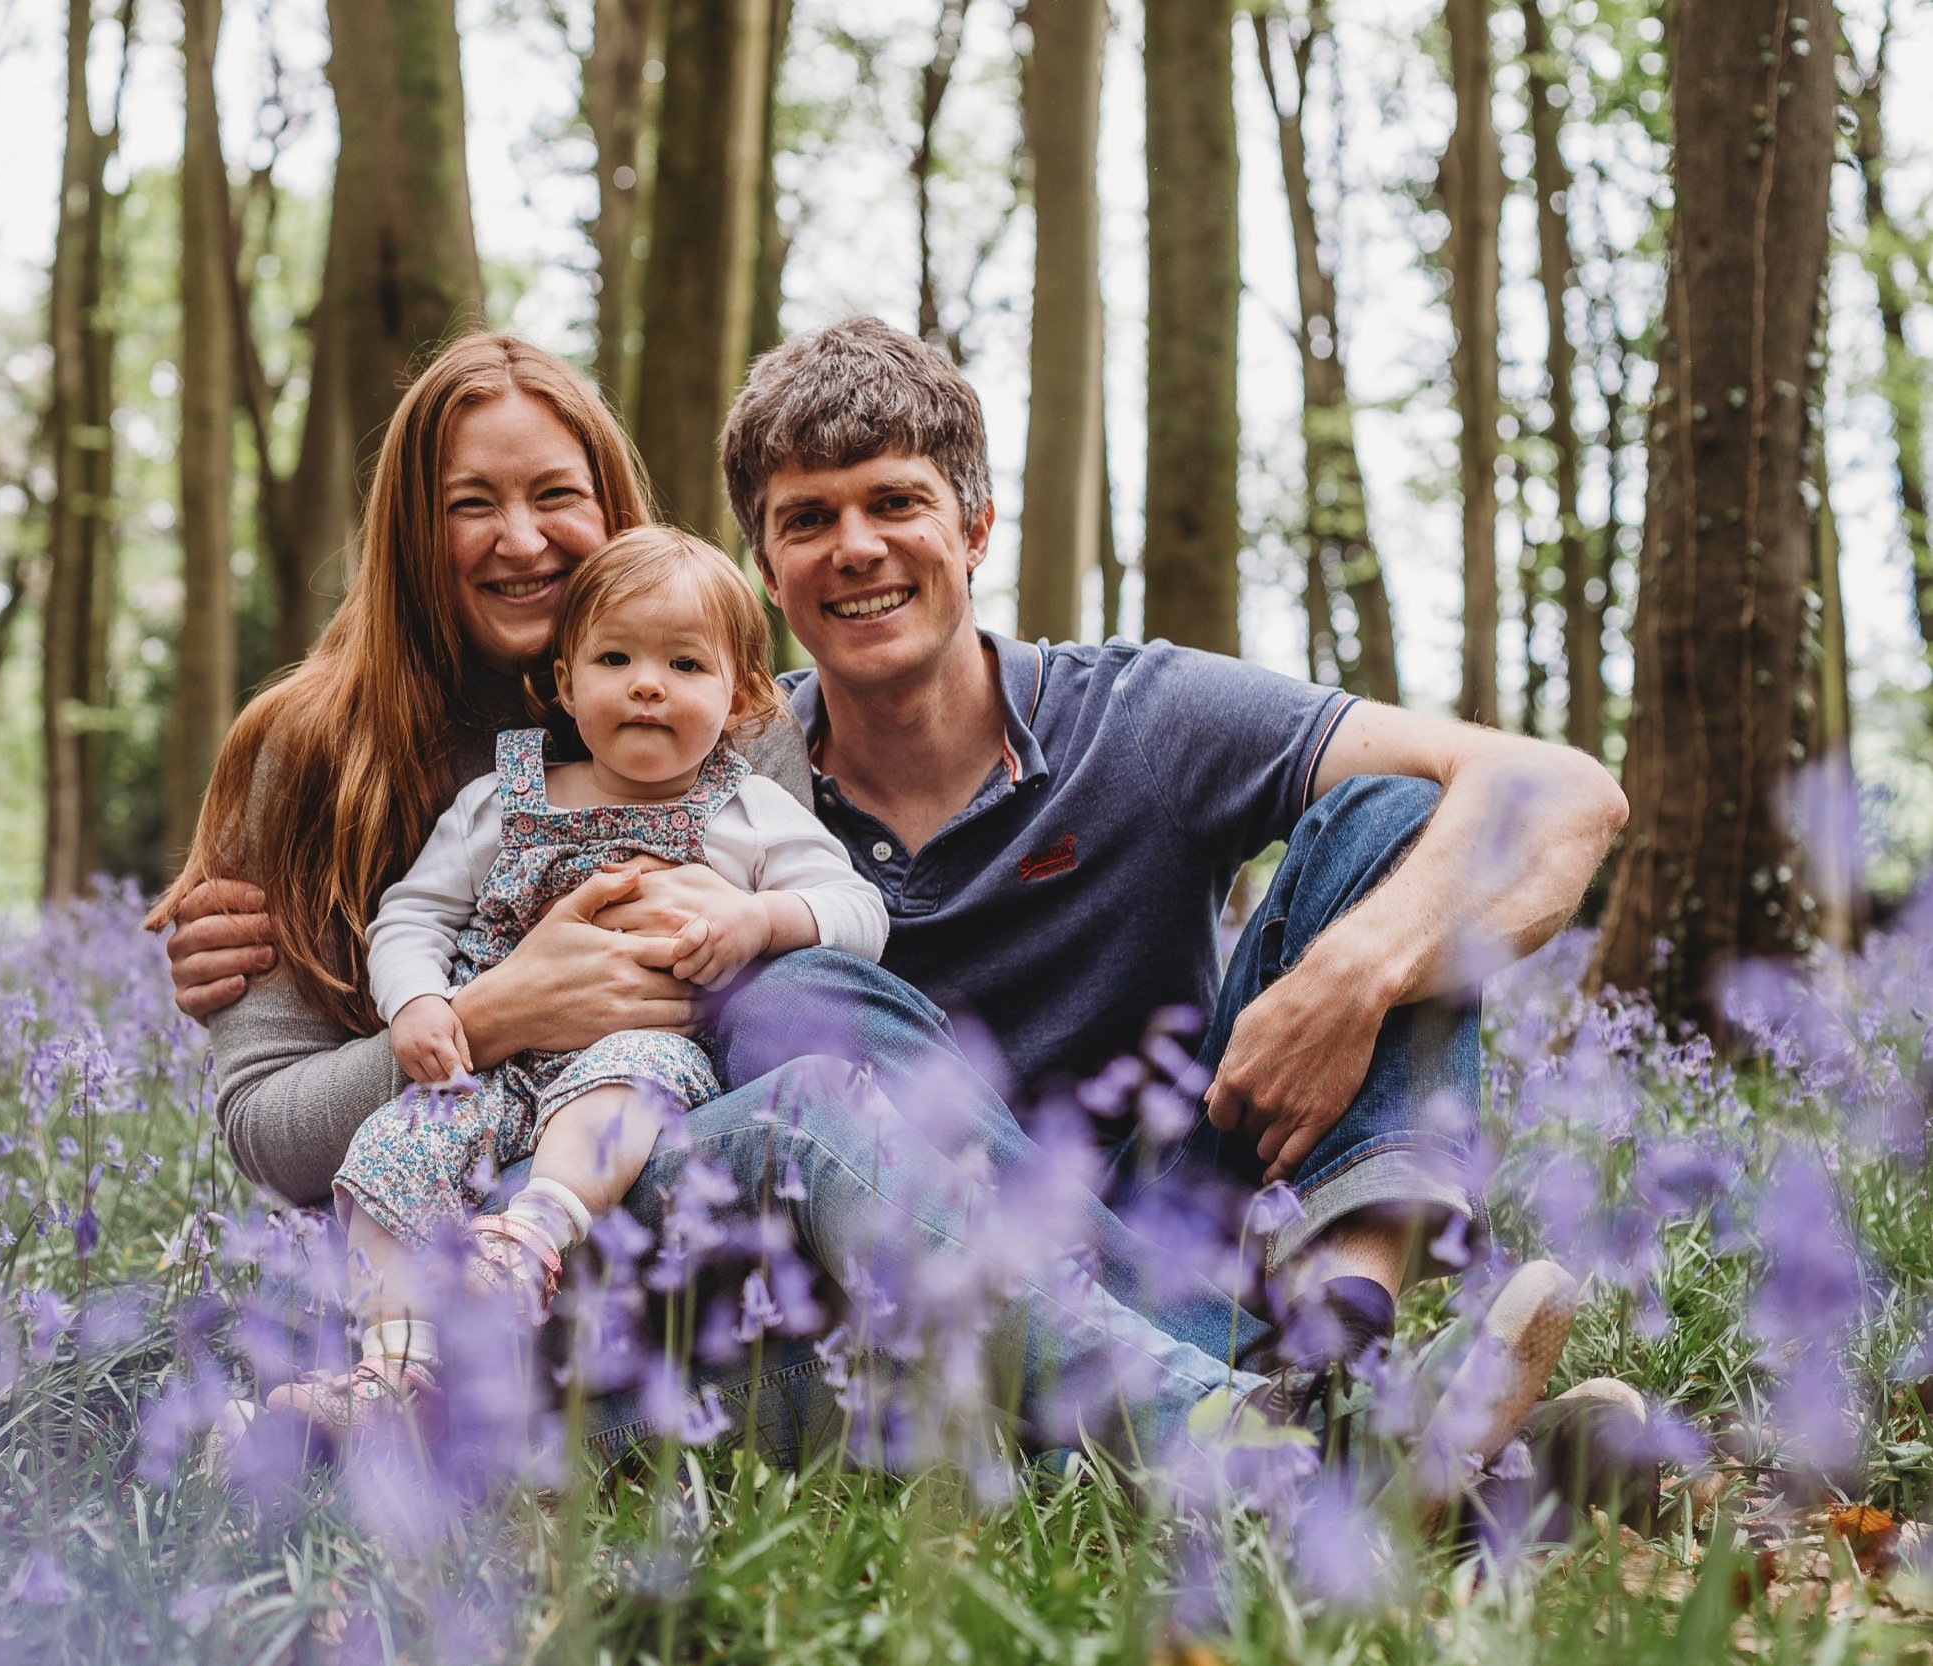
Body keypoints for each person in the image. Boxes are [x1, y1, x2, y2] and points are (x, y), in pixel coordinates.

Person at [160, 327, 1594, 1482]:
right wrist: (489, 1005)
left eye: (558, 498)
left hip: (1088, 1211)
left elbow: (1560, 790)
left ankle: (1329, 1371)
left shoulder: (739, 748)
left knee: (1405, 824)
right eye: (470, 500)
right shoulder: (312, 754)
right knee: (799, 1030)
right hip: (582, 1238)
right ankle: (1372, 1454)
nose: (521, 537)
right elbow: (272, 1122)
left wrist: (1348, 973)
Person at [266, 528, 889, 1438]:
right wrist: (420, 1002)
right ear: (563, 681)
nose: (647, 683)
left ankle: (530, 1237)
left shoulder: (747, 809)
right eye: (614, 657)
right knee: (384, 1156)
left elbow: (858, 910)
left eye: (684, 663)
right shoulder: (504, 797)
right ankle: (392, 1369)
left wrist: (760, 919)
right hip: (486, 1074)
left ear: (741, 694)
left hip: (641, 1062)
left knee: (622, 1079)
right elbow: (413, 915)